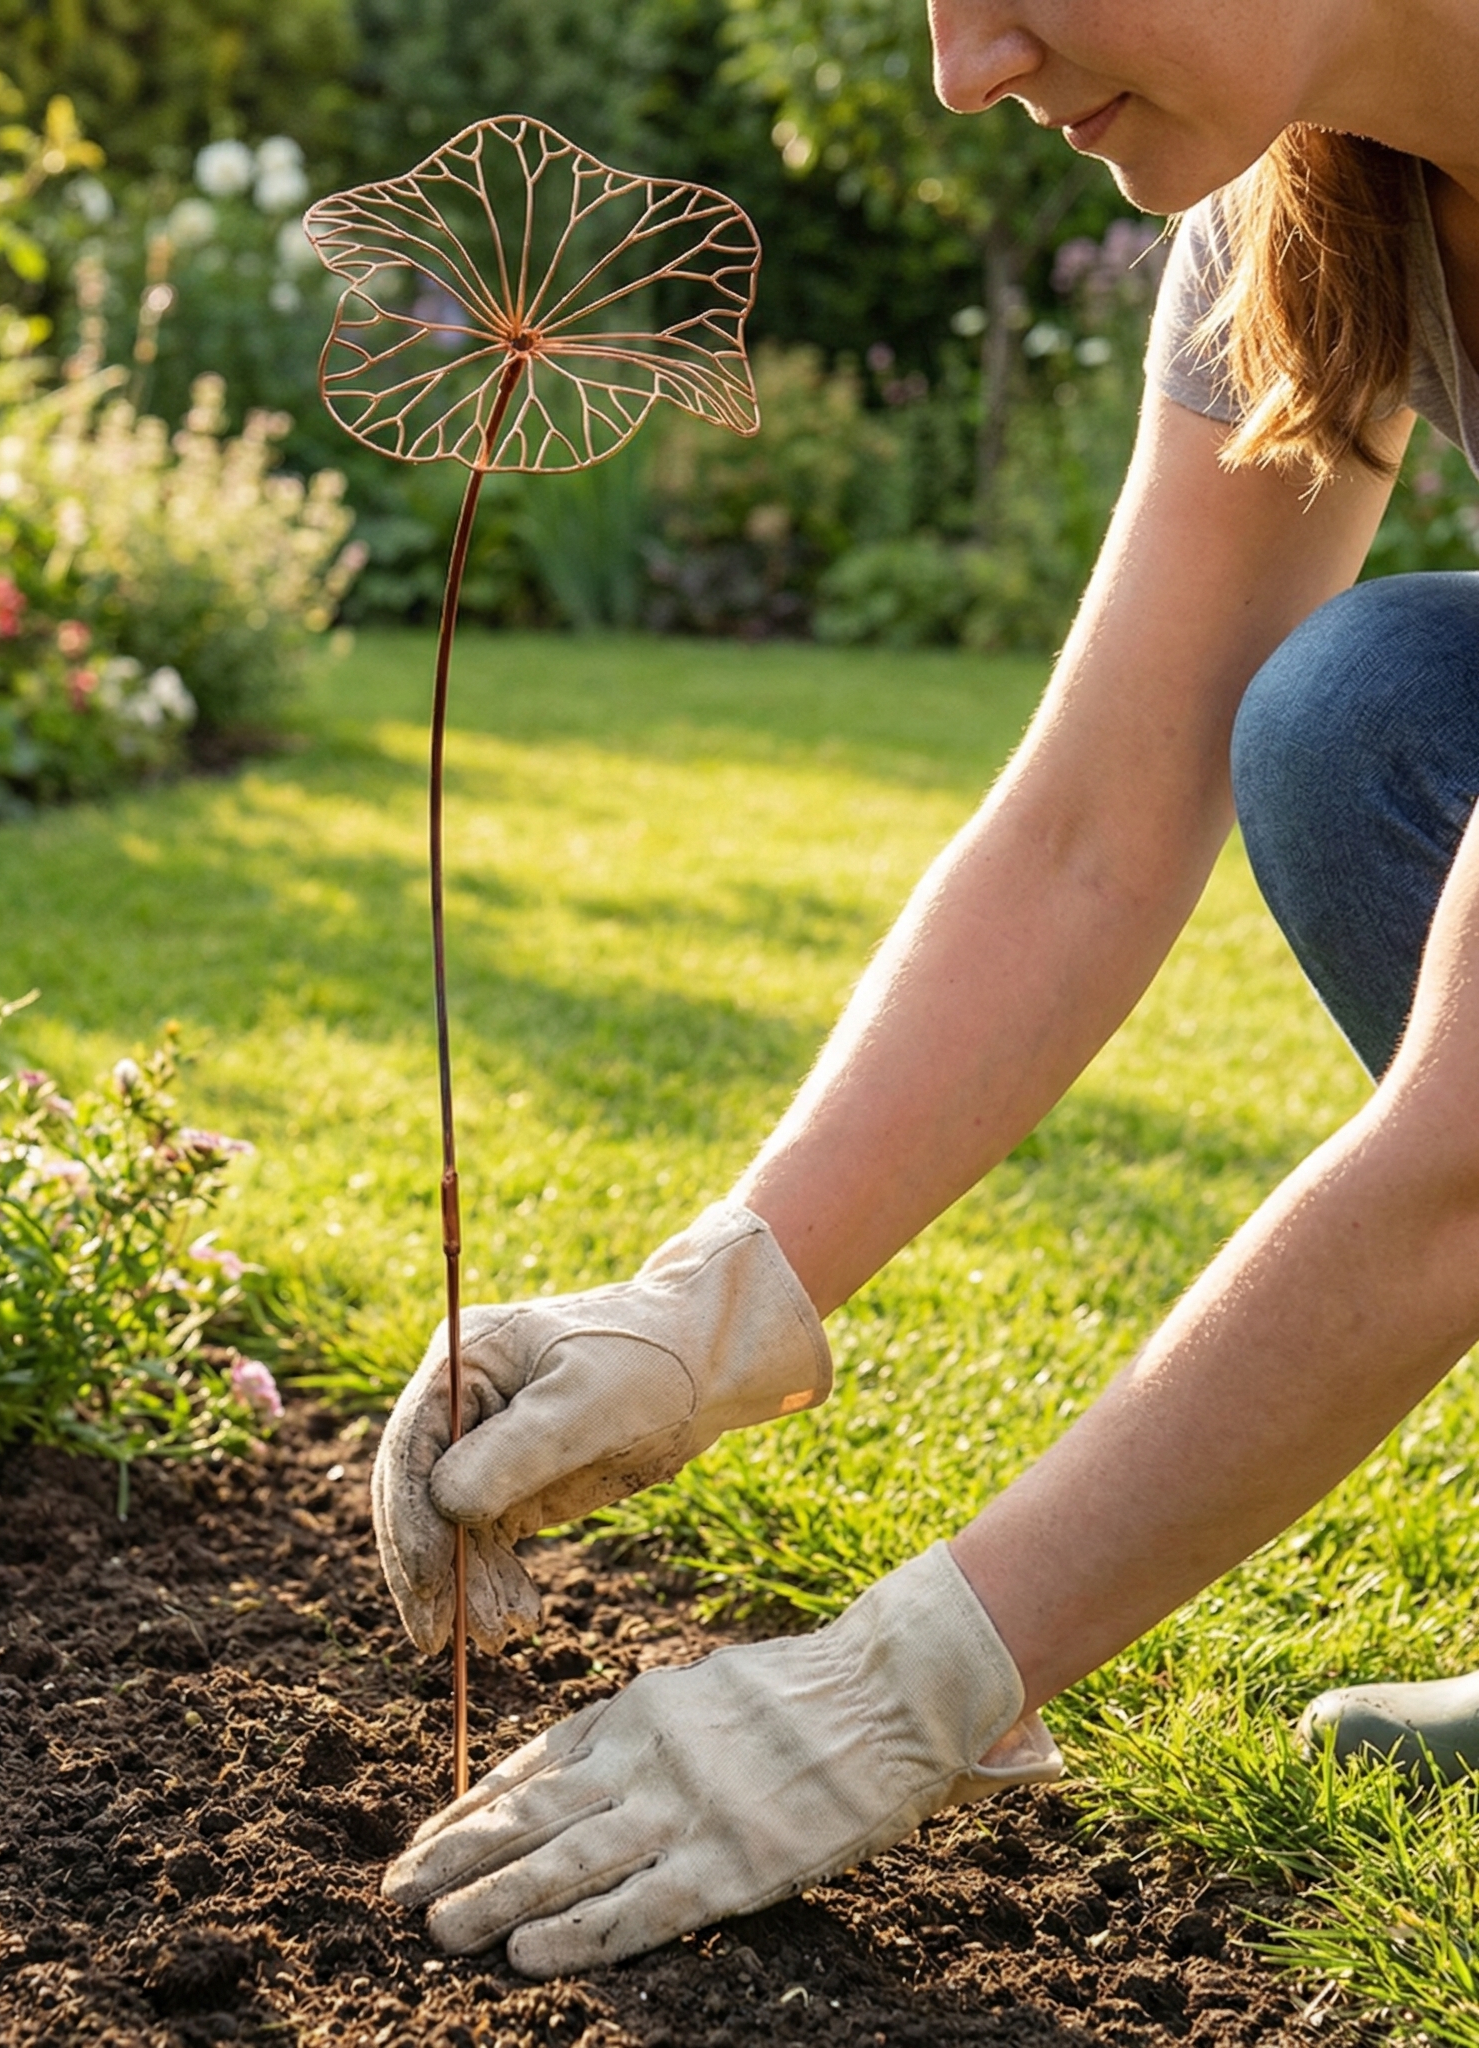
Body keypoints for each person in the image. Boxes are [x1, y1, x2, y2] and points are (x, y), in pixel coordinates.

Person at [367, 0, 1479, 1983]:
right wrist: (720, 1297)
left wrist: (913, 1674)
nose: (961, 68)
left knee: (1374, 711)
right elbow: (1094, 821)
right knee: (1354, 718)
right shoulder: (1299, 182)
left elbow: (1463, 1155)